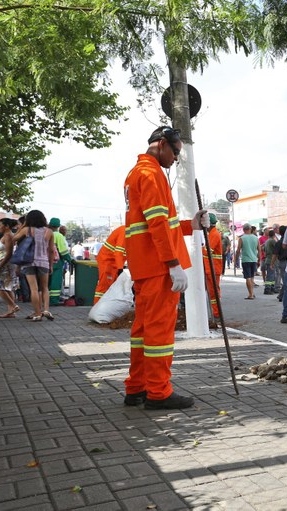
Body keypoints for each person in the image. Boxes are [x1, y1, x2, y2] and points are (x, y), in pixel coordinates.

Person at [123, 125, 208, 410]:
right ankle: (158, 392)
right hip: (159, 266)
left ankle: (136, 388)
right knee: (159, 332)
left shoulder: (137, 173)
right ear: (161, 144)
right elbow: (157, 223)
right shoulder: (151, 174)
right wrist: (173, 264)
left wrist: (190, 225)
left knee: (143, 330)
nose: (176, 158)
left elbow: (158, 223)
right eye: (175, 151)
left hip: (145, 265)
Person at [13, 210, 56, 322]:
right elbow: (51, 251)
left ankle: (37, 313)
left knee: (34, 289)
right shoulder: (49, 231)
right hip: (43, 262)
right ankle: (46, 310)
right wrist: (51, 265)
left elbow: (14, 238)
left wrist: (23, 226)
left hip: (29, 262)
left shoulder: (26, 230)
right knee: (45, 288)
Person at [0, 218, 20, 318]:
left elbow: (9, 254)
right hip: (6, 264)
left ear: (6, 226)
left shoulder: (8, 236)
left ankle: (13, 305)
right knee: (8, 287)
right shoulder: (7, 235)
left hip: (5, 265)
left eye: (0, 225)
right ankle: (11, 311)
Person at [93, 225, 126, 304]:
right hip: (107, 261)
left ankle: (104, 308)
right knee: (104, 286)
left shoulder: (127, 232)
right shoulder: (124, 232)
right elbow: (118, 253)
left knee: (112, 286)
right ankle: (97, 308)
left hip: (113, 262)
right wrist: (120, 268)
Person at [47, 218, 71, 305]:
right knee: (55, 281)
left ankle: (45, 299)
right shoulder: (58, 236)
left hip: (44, 261)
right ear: (58, 226)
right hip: (56, 262)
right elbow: (63, 251)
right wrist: (70, 259)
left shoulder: (45, 233)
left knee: (47, 281)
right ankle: (53, 300)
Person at [203, 213, 223, 316]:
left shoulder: (214, 234)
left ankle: (216, 313)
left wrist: (197, 246)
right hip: (211, 268)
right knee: (212, 292)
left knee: (213, 292)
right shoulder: (212, 234)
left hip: (213, 268)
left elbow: (207, 251)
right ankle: (216, 313)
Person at [234, 223, 259, 299]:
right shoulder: (256, 238)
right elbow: (259, 249)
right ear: (250, 229)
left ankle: (250, 294)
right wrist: (259, 259)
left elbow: (238, 250)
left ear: (244, 230)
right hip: (254, 259)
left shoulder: (242, 238)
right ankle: (252, 293)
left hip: (246, 260)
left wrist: (235, 260)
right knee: (251, 277)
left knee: (247, 277)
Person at [262, 229, 276, 295]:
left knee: (272, 276)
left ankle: (271, 288)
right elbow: (277, 248)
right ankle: (267, 289)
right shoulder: (272, 241)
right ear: (274, 235)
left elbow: (263, 249)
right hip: (271, 260)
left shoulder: (267, 241)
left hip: (267, 259)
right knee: (270, 276)